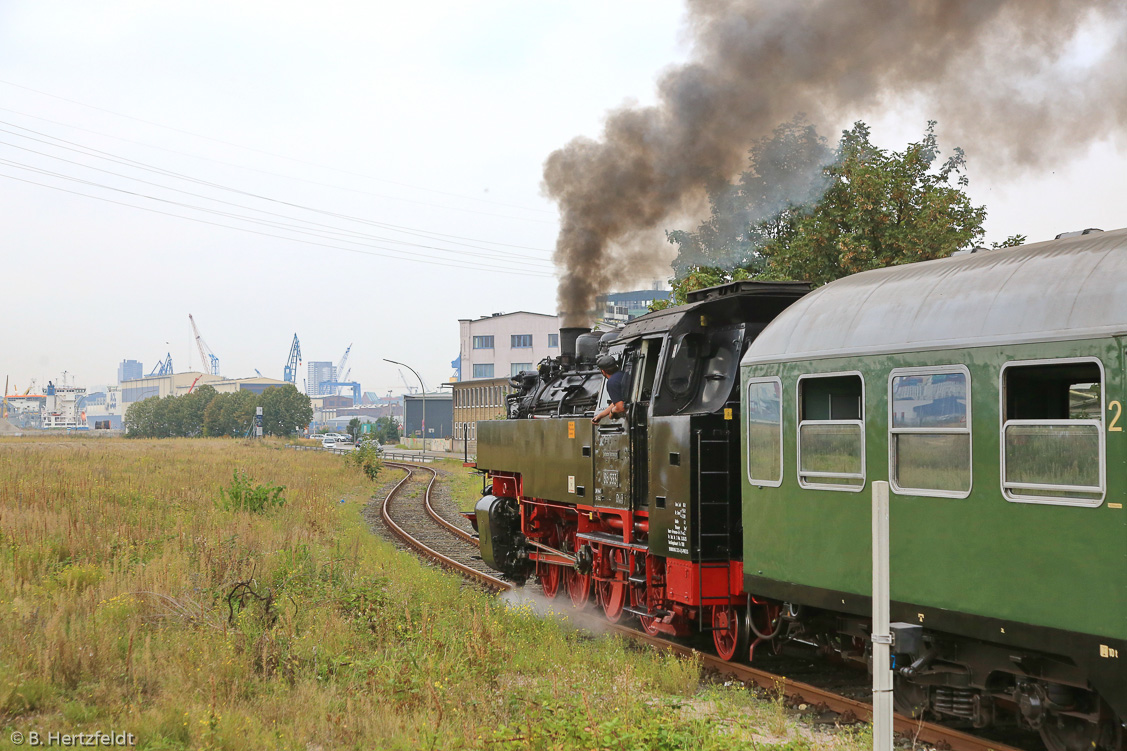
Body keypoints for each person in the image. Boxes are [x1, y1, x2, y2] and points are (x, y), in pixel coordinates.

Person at [592, 354, 626, 424]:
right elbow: (617, 402)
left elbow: (620, 407)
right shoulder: (624, 375)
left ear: (603, 371)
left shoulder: (612, 382)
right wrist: (600, 415)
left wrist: (612, 412)